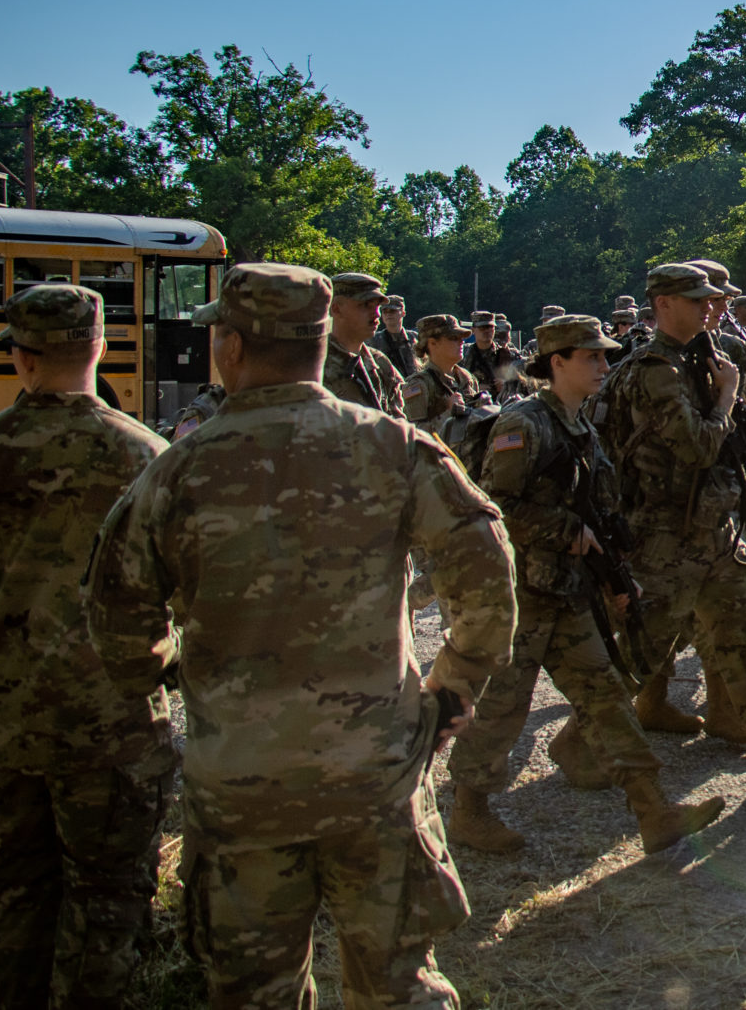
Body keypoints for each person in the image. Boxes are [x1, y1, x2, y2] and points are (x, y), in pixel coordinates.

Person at [85, 262, 519, 1007]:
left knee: (254, 990)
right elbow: (487, 572)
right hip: (375, 776)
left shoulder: (176, 470)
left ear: (230, 346)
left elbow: (118, 623)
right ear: (324, 341)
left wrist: (178, 678)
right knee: (400, 985)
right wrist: (451, 691)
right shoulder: (393, 446)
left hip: (240, 792)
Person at [0, 285, 175, 1010]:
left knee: (19, 875)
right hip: (112, 721)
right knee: (108, 892)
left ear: (18, 357)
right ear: (101, 345)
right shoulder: (149, 457)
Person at [447, 314, 725, 856]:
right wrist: (564, 531)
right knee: (503, 707)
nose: (604, 364)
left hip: (570, 594)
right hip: (523, 597)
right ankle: (467, 811)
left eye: (604, 355)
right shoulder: (523, 425)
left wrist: (614, 580)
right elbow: (492, 508)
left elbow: (597, 516)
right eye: (591, 357)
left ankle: (653, 811)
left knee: (607, 698)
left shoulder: (583, 429)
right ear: (557, 363)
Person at [602, 262, 746, 790]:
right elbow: (696, 445)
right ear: (663, 304)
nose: (712, 308)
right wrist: (729, 392)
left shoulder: (700, 356)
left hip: (713, 529)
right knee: (644, 647)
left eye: (712, 299)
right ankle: (579, 738)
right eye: (697, 300)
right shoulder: (653, 369)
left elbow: (727, 440)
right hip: (665, 536)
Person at [322, 271, 407, 418]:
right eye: (365, 305)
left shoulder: (380, 362)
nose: (377, 314)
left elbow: (398, 420)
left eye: (377, 306)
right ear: (336, 308)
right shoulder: (313, 364)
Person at [400, 314, 488, 438]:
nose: (461, 341)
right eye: (453, 337)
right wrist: (448, 413)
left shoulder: (467, 378)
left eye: (461, 337)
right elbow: (414, 434)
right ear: (433, 343)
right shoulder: (418, 385)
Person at [466, 309, 527, 402]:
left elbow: (525, 386)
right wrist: (475, 387)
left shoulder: (510, 356)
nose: (487, 331)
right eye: (482, 328)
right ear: (473, 330)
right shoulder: (464, 355)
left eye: (490, 327)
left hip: (502, 408)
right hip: (472, 408)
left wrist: (506, 386)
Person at [370, 294, 420, 376]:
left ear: (403, 313)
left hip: (414, 385)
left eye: (392, 311)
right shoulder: (373, 340)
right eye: (385, 311)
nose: (388, 314)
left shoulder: (415, 338)